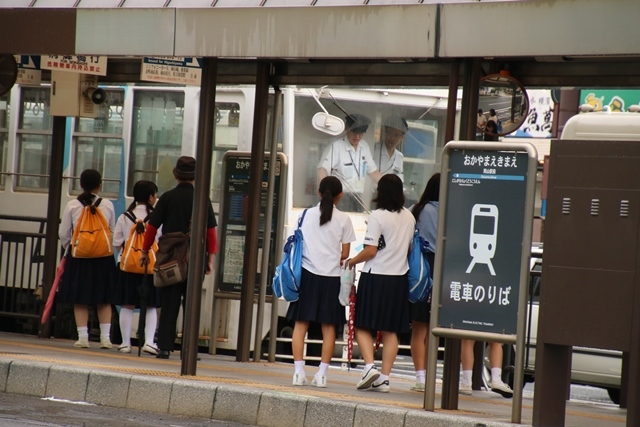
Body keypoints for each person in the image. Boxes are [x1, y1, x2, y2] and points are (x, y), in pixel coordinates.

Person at [140, 156, 218, 359]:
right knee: (191, 304)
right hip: (195, 258)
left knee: (169, 303)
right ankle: (189, 350)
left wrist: (144, 250)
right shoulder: (202, 199)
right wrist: (209, 258)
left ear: (175, 175)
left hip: (169, 259)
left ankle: (164, 347)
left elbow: (151, 228)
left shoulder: (167, 197)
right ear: (196, 177)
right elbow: (211, 232)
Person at [345, 174, 415, 393]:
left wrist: (352, 260)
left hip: (376, 277)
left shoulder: (377, 216)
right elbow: (409, 249)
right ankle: (384, 378)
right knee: (390, 330)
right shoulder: (409, 217)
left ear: (380, 192)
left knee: (362, 325)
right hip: (399, 278)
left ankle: (368, 367)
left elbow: (371, 251)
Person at [287, 176, 356, 388]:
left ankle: (298, 372)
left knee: (301, 325)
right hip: (332, 278)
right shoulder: (344, 220)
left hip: (307, 276)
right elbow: (345, 254)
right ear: (340, 196)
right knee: (329, 329)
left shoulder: (305, 215)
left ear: (319, 193)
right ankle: (322, 375)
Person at [58, 169, 116, 349]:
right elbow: (111, 231)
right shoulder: (107, 205)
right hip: (103, 257)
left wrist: (73, 247)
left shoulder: (72, 205)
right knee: (104, 298)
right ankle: (105, 338)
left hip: (79, 257)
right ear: (99, 185)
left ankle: (83, 337)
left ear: (81, 184)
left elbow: (64, 234)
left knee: (80, 297)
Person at [112, 180, 161, 355]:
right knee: (151, 305)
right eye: (155, 195)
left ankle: (125, 343)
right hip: (150, 267)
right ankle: (148, 341)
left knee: (127, 304)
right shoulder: (156, 217)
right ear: (150, 197)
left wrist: (129, 255)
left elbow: (117, 242)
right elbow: (160, 241)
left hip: (127, 267)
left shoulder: (125, 216)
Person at [408, 173, 439, 392]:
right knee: (433, 327)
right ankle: (429, 377)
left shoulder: (417, 210)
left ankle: (420, 377)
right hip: (444, 268)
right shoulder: (455, 210)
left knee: (419, 328)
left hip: (420, 266)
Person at [317, 113, 382, 212]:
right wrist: (328, 195)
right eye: (354, 132)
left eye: (361, 133)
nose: (357, 136)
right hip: (340, 197)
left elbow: (373, 172)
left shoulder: (364, 147)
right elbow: (322, 170)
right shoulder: (336, 146)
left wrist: (388, 186)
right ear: (346, 128)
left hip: (358, 196)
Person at [373, 115, 407, 182]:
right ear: (385, 132)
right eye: (390, 133)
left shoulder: (399, 156)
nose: (392, 138)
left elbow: (400, 180)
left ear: (402, 137)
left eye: (396, 135)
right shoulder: (373, 149)